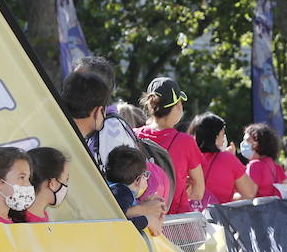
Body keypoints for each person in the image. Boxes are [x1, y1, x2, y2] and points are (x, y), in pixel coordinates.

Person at [60, 56, 164, 233]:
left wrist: (139, 212)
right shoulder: (74, 131)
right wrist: (141, 213)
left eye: (82, 83)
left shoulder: (110, 128)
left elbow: (118, 190)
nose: (73, 90)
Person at [134, 76, 205, 213]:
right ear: (178, 105)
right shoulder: (186, 142)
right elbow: (198, 193)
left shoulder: (132, 135)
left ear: (150, 106)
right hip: (176, 224)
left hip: (143, 223)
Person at [189, 113, 257, 204]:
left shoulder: (187, 157)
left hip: (188, 215)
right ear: (216, 137)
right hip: (219, 216)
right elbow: (250, 192)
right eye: (223, 134)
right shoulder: (228, 159)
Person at [22, 146, 70, 223]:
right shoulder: (29, 222)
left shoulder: (42, 215)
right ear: (53, 183)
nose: (66, 184)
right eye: (66, 179)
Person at [242, 123, 287, 198]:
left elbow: (249, 195)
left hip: (258, 209)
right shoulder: (277, 168)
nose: (243, 144)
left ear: (258, 143)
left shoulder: (255, 165)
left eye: (247, 140)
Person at [104, 145, 151, 216]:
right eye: (145, 174)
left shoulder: (104, 185)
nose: (146, 178)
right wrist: (147, 218)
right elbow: (127, 218)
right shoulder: (125, 194)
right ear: (138, 179)